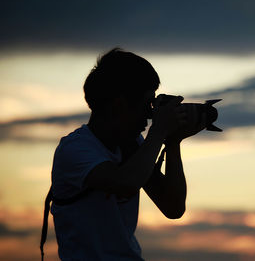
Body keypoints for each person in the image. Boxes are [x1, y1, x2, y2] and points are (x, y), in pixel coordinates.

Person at [47, 48, 206, 260]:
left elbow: (173, 207)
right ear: (119, 105)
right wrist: (159, 131)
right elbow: (125, 183)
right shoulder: (75, 150)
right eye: (147, 103)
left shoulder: (132, 145)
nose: (149, 115)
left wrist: (172, 140)